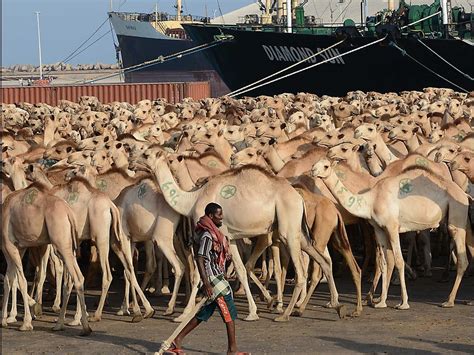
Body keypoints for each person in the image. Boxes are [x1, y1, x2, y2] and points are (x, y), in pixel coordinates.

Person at [166, 203, 247, 355]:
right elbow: (200, 258)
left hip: (217, 276)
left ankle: (177, 340)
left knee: (205, 312)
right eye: (219, 215)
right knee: (229, 312)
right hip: (213, 278)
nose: (221, 217)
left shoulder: (213, 233)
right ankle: (232, 350)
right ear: (211, 216)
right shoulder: (207, 236)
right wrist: (207, 283)